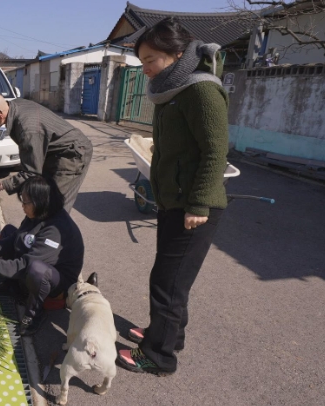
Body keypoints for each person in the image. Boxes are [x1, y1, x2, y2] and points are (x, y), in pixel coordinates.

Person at [116, 18, 230, 376]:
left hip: (194, 206)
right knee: (173, 279)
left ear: (177, 54)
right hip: (173, 202)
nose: (146, 68)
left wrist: (198, 204)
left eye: (151, 59)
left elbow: (215, 152)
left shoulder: (201, 91)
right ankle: (169, 335)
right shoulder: (171, 91)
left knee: (167, 283)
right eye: (143, 61)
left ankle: (159, 356)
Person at [0, 176, 84, 336]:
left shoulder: (55, 230)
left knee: (36, 270)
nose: (22, 207)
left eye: (25, 203)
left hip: (58, 282)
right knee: (9, 231)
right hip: (36, 261)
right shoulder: (40, 213)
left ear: (40, 202)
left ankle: (34, 314)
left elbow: (24, 265)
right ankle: (14, 286)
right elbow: (17, 238)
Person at [0, 92, 93, 212]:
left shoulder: (28, 130)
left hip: (72, 154)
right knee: (40, 200)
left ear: (0, 116)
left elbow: (31, 173)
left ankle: (56, 229)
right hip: (52, 153)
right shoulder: (14, 105)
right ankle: (35, 229)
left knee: (55, 206)